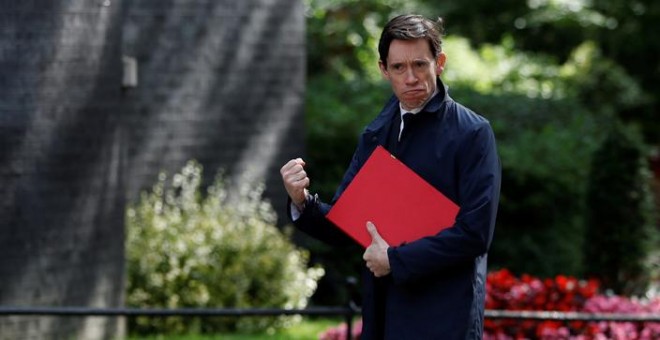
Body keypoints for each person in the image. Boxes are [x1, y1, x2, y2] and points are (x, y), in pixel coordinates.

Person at [280, 14, 501, 339]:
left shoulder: (473, 133)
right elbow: (347, 225)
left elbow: (476, 234)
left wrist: (396, 260)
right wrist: (302, 201)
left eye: (420, 65)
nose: (410, 77)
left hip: (446, 317)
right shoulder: (375, 133)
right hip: (382, 313)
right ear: (384, 70)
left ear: (439, 63)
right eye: (399, 68)